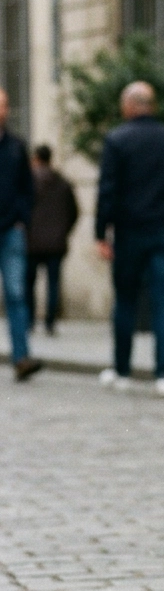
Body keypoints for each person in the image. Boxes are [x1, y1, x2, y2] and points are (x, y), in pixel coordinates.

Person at [96, 81, 164, 397]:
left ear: (128, 106)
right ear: (152, 105)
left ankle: (122, 370)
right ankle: (163, 374)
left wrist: (101, 233)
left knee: (126, 300)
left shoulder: (117, 140)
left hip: (129, 232)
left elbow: (107, 191)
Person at [0, 88, 42, 380]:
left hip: (10, 231)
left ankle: (21, 357)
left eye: (4, 105)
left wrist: (21, 219)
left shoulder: (16, 146)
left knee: (16, 293)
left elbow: (28, 189)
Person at [26, 145, 79, 335]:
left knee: (28, 283)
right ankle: (50, 322)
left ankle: (29, 320)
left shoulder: (28, 182)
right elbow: (74, 212)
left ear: (36, 158)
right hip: (56, 242)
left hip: (30, 241)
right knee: (53, 283)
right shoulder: (63, 182)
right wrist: (63, 231)